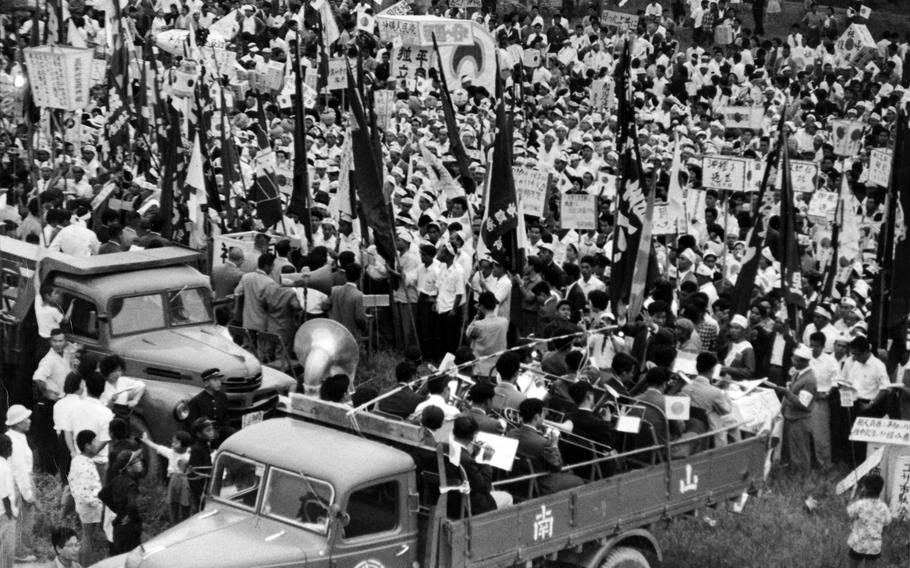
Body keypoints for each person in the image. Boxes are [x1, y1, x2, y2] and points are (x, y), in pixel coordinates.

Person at [507, 398, 583, 495]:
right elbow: (557, 466)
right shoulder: (544, 443)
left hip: (515, 482)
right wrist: (555, 443)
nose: (544, 418)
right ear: (536, 417)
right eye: (542, 414)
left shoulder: (510, 433)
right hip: (540, 484)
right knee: (578, 480)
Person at [444, 416, 513, 518]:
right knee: (507, 497)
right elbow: (485, 487)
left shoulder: (445, 449)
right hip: (467, 504)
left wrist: (473, 455)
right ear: (473, 436)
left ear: (454, 431)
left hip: (449, 500)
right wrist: (486, 461)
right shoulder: (466, 460)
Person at [777, 344, 817, 473]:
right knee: (794, 450)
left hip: (801, 420)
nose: (792, 361)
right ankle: (795, 474)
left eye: (795, 359)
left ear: (803, 362)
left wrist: (787, 393)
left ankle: (803, 477)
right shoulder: (798, 373)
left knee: (801, 450)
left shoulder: (810, 379)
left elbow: (803, 404)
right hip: (793, 418)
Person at [140, 431, 193, 525]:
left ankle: (186, 523)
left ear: (184, 445)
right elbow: (158, 447)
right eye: (173, 442)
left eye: (176, 442)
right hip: (173, 481)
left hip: (185, 482)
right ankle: (174, 523)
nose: (172, 444)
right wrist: (146, 441)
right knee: (173, 502)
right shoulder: (171, 453)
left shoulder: (189, 456)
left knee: (185, 503)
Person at [68, 430, 105, 566]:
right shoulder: (83, 464)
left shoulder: (78, 460)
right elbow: (84, 489)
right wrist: (95, 502)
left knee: (87, 537)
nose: (98, 444)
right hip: (89, 506)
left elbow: (72, 481)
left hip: (85, 504)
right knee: (87, 537)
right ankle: (83, 564)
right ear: (87, 445)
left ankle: (83, 563)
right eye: (95, 442)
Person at [681, 352, 733, 445]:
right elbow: (726, 410)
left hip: (691, 424)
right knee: (732, 420)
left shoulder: (685, 388)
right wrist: (725, 391)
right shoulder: (715, 392)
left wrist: (715, 387)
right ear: (713, 369)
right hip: (708, 426)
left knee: (731, 421)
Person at [99, 449, 144, 555]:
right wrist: (131, 516)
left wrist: (118, 511)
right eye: (136, 460)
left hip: (118, 527)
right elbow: (132, 506)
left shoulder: (117, 479)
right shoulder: (131, 485)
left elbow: (102, 495)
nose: (140, 462)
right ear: (128, 468)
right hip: (130, 531)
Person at [5, 405, 36, 563]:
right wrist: (28, 494)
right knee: (23, 519)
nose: (29, 421)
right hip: (19, 483)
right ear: (17, 423)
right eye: (26, 419)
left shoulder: (16, 437)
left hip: (18, 481)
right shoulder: (15, 442)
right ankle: (20, 552)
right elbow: (19, 470)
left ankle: (19, 549)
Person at [70, 372, 114, 480]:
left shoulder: (74, 407)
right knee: (97, 495)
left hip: (77, 458)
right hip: (98, 463)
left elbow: (69, 432)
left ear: (86, 387)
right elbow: (105, 438)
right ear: (103, 390)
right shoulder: (106, 413)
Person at [846, 473, 891, 567]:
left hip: (858, 544)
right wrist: (880, 535)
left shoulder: (860, 504)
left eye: (863, 487)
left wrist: (856, 495)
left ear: (865, 489)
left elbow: (849, 512)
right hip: (874, 546)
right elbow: (887, 523)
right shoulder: (884, 507)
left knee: (852, 565)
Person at [185, 368, 234, 447]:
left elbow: (226, 417)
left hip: (220, 430)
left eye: (219, 380)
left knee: (231, 433)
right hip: (205, 433)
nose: (219, 383)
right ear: (206, 383)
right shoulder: (196, 401)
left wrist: (225, 428)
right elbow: (193, 425)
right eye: (215, 380)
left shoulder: (222, 396)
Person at [465, 291, 508, 378]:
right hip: (498, 369)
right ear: (494, 305)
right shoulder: (504, 322)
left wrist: (476, 316)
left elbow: (468, 333)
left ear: (481, 306)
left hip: (481, 370)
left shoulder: (478, 325)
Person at [327, 262, 369, 343]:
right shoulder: (359, 295)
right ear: (359, 277)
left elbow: (325, 306)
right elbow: (359, 318)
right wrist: (364, 328)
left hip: (334, 331)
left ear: (345, 275)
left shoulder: (334, 290)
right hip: (351, 334)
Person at [99, 354, 147, 422]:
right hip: (108, 419)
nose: (117, 374)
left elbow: (141, 385)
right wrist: (112, 401)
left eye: (119, 371)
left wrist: (135, 400)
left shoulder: (123, 381)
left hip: (123, 418)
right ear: (107, 371)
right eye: (114, 371)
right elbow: (103, 409)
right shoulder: (101, 385)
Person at [187, 417, 216, 511]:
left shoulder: (206, 445)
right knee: (199, 511)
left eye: (212, 429)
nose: (212, 432)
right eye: (208, 430)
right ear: (199, 434)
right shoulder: (197, 449)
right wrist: (200, 494)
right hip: (199, 489)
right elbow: (193, 474)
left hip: (206, 485)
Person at [0, 435, 16, 568]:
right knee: (8, 546)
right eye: (10, 446)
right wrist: (10, 514)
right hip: (4, 512)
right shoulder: (4, 467)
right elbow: (4, 493)